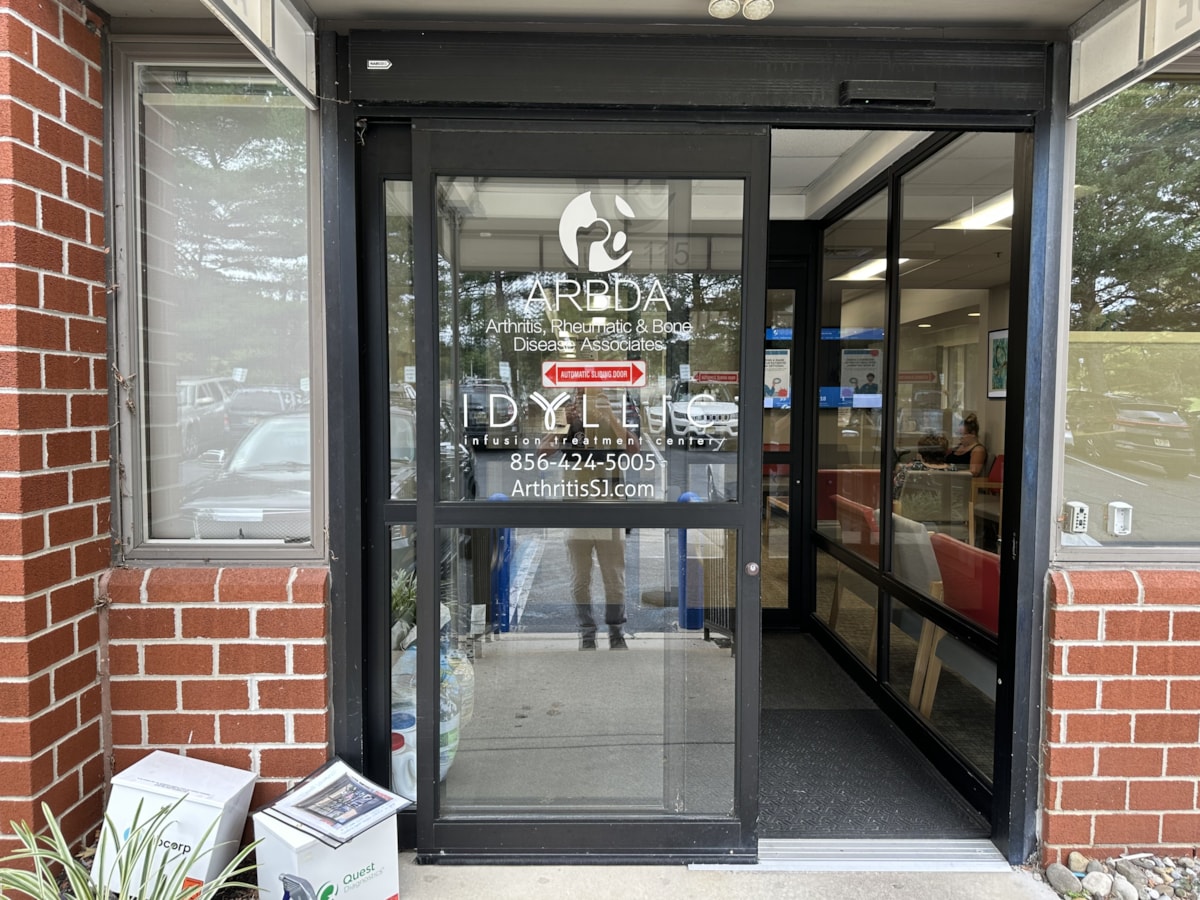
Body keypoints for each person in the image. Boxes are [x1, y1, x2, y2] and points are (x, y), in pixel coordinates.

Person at [538, 390, 639, 650]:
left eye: (593, 397)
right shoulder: (567, 420)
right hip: (576, 510)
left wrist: (610, 415)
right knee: (579, 579)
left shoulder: (611, 420)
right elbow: (542, 451)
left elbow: (633, 448)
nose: (587, 404)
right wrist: (564, 422)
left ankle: (616, 632)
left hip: (611, 509)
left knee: (614, 578)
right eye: (582, 398)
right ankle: (586, 632)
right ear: (575, 400)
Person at [893, 431, 951, 498]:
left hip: (913, 504)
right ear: (946, 452)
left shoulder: (909, 470)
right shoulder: (954, 471)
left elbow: (895, 494)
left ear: (920, 452)